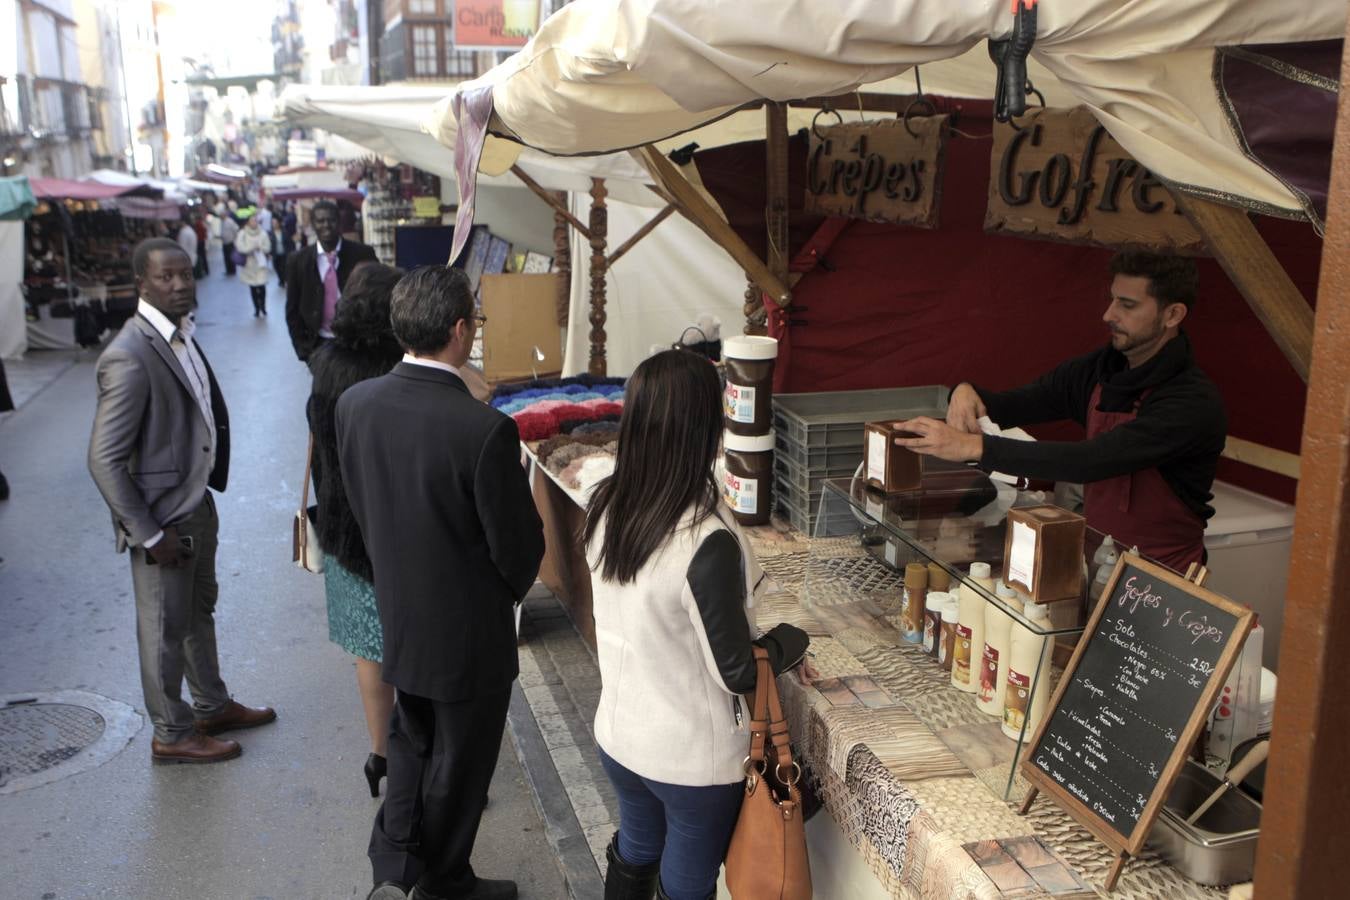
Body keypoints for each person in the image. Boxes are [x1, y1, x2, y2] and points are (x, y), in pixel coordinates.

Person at [337, 265, 544, 900]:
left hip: (400, 607)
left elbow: (360, 506)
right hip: (466, 628)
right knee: (459, 762)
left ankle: (397, 866)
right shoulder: (482, 428)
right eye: (474, 322)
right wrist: (500, 597)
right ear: (460, 330)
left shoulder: (357, 404)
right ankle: (442, 880)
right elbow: (518, 548)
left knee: (413, 743)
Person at [584, 349, 815, 900]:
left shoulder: (608, 504)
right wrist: (792, 641)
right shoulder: (701, 537)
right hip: (689, 763)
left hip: (620, 737)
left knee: (638, 850)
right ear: (705, 426)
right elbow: (736, 670)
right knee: (685, 887)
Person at [894, 251, 1226, 572]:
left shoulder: (1191, 401)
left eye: (1127, 305)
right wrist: (966, 392)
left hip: (1164, 577)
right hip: (1097, 561)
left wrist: (971, 447)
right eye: (1112, 299)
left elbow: (1092, 460)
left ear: (1172, 315)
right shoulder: (1100, 370)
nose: (1108, 314)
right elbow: (1015, 404)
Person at [87, 238, 275, 764]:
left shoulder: (180, 333)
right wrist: (148, 533)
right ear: (141, 284)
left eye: (186, 275)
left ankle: (210, 704)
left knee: (196, 612)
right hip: (162, 521)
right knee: (164, 629)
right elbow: (104, 459)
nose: (179, 285)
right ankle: (171, 733)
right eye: (165, 278)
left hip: (194, 506)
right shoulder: (129, 353)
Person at [306, 262, 404, 798]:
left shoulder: (324, 364)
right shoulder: (398, 369)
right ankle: (421, 764)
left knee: (370, 652)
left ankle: (381, 756)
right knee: (413, 651)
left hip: (343, 524)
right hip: (392, 527)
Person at [285, 199, 378, 362]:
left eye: (331, 220)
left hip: (358, 345)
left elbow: (378, 297)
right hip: (318, 345)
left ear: (339, 222)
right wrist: (303, 350)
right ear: (313, 224)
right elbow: (292, 309)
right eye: (320, 221)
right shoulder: (298, 260)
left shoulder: (363, 254)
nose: (326, 225)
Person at [235, 215, 272, 317]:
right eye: (252, 221)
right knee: (253, 288)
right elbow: (240, 247)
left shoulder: (263, 233)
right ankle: (256, 308)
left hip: (261, 264)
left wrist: (261, 248)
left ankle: (263, 307)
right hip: (249, 265)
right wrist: (251, 248)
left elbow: (268, 247)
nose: (254, 223)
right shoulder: (242, 233)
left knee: (262, 286)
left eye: (255, 221)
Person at [272, 212, 291, 288]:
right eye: (272, 223)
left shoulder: (284, 232)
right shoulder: (270, 233)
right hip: (275, 254)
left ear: (279, 223)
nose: (274, 224)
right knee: (277, 268)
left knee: (284, 267)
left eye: (275, 223)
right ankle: (281, 280)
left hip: (284, 253)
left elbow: (289, 243)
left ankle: (286, 280)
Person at [220, 213, 240, 277]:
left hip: (230, 242)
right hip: (224, 242)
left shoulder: (230, 221)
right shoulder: (222, 222)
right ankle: (228, 270)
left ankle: (232, 270)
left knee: (230, 257)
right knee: (226, 257)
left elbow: (235, 229)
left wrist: (234, 238)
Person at [192, 214, 210, 278]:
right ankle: (206, 270)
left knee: (201, 256)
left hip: (200, 242)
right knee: (203, 256)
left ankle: (204, 269)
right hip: (202, 241)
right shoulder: (201, 224)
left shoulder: (198, 224)